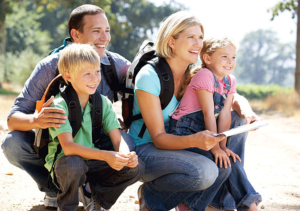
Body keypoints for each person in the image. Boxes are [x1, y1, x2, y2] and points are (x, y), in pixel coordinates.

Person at [1, 4, 134, 209]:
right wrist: (37, 120)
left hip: (98, 143)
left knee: (129, 146)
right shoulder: (49, 67)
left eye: (107, 31)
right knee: (12, 143)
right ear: (76, 34)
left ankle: (93, 192)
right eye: (96, 31)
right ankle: (56, 190)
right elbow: (12, 120)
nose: (105, 38)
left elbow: (143, 77)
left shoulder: (116, 64)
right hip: (61, 148)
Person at [128, 11, 260, 211]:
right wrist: (195, 140)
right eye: (191, 37)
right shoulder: (149, 76)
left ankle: (197, 204)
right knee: (206, 171)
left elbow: (231, 97)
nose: (198, 43)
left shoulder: (194, 73)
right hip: (148, 149)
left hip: (177, 143)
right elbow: (158, 138)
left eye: (200, 37)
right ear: (172, 41)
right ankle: (153, 195)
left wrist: (247, 112)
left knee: (234, 127)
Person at [44, 43, 143, 211]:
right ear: (68, 76)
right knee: (74, 164)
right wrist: (107, 156)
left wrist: (125, 155)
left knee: (136, 167)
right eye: (87, 74)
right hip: (66, 164)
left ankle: (96, 201)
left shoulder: (102, 102)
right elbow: (68, 148)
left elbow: (117, 138)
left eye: (97, 72)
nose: (95, 79)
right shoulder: (59, 105)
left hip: (92, 161)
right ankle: (67, 206)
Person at [168, 37, 262, 211]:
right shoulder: (204, 75)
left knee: (227, 159)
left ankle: (198, 204)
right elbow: (208, 113)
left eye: (233, 57)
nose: (230, 62)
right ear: (207, 58)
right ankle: (248, 205)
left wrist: (223, 146)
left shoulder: (229, 81)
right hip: (185, 131)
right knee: (222, 163)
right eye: (224, 56)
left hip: (206, 132)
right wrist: (215, 148)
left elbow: (225, 114)